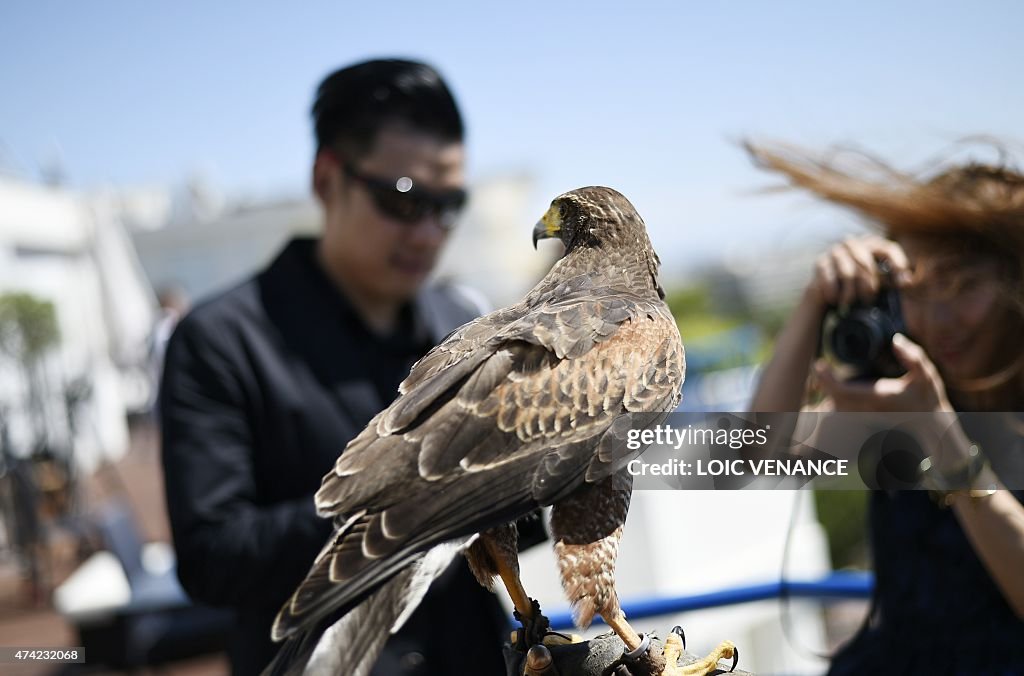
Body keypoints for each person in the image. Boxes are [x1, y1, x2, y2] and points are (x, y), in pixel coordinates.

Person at [160, 59, 521, 676]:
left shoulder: (463, 321)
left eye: (449, 205)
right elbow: (210, 559)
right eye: (404, 201)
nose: (430, 231)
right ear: (328, 179)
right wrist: (402, 500)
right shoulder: (219, 340)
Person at [747, 142, 1024, 673]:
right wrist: (815, 300)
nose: (939, 319)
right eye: (916, 289)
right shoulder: (904, 383)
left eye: (963, 285)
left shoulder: (917, 399)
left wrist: (940, 434)